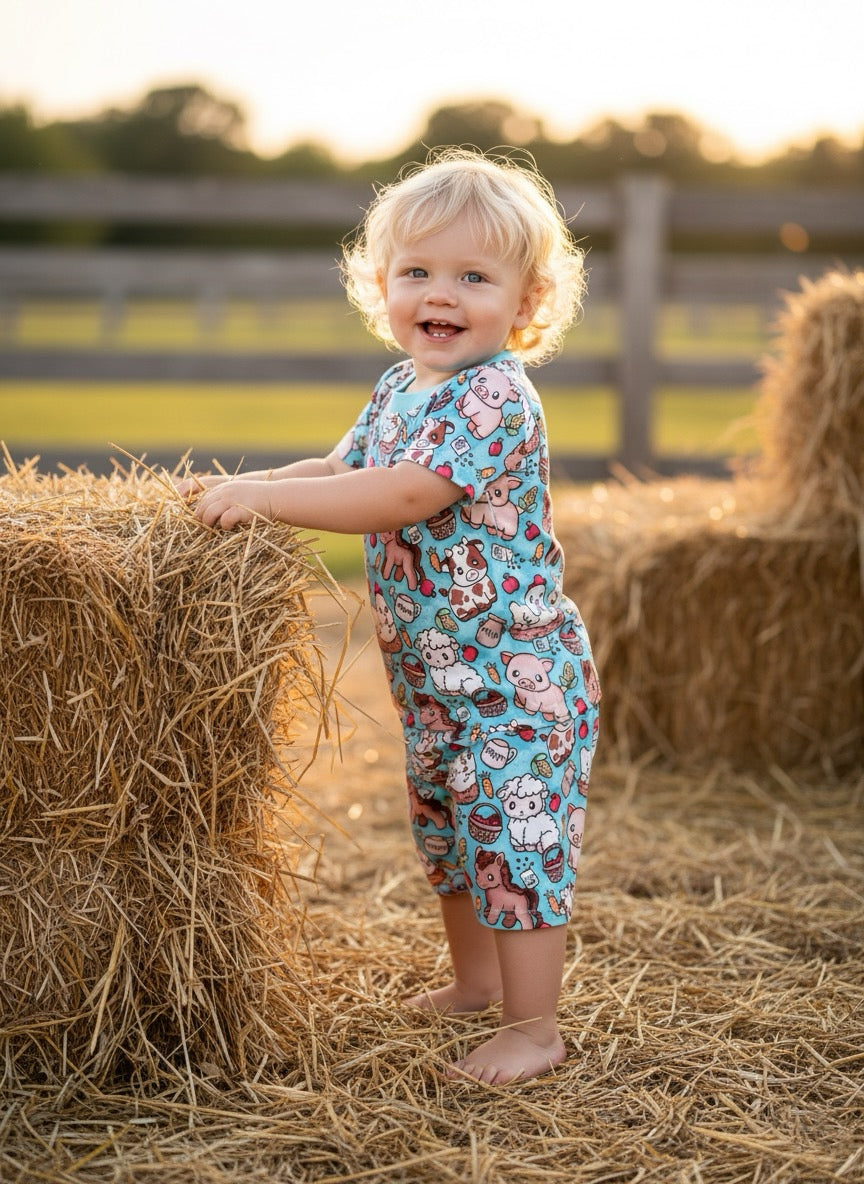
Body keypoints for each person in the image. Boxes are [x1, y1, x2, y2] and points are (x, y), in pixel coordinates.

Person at [178, 148, 601, 1085]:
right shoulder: (400, 388)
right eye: (417, 271)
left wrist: (266, 503)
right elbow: (341, 472)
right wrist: (248, 484)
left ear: (526, 304)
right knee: (449, 835)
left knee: (511, 841)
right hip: (435, 682)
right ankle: (475, 985)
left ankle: (535, 1026)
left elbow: (404, 495)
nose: (439, 294)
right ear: (381, 286)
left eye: (472, 277)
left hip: (515, 686)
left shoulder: (494, 395)